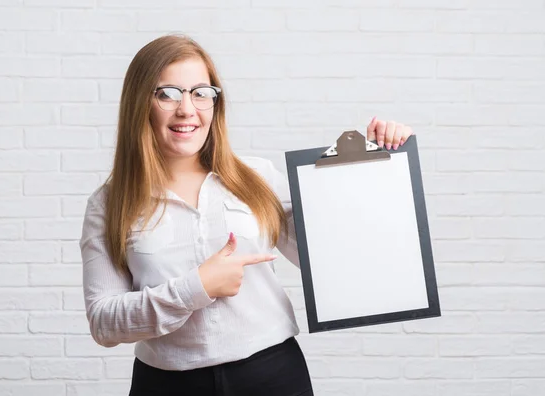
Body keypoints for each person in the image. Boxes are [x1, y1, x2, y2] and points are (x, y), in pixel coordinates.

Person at [79, 34, 414, 396]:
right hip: (165, 385)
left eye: (200, 92)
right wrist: (196, 288)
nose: (187, 109)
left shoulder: (258, 178)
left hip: (272, 376)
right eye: (168, 93)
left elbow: (329, 256)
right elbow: (104, 323)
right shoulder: (109, 204)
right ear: (140, 103)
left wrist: (369, 164)